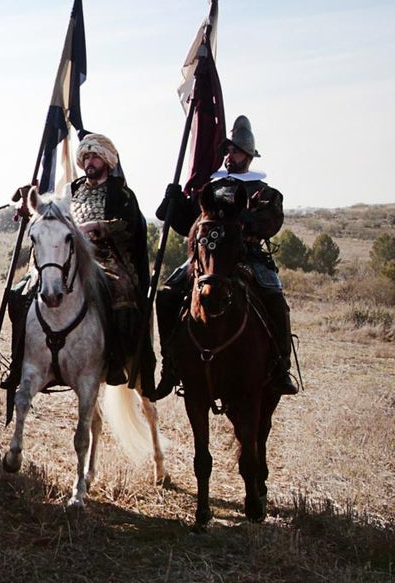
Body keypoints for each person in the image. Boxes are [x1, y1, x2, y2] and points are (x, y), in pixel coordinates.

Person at [153, 115, 298, 399]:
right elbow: (187, 225)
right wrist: (174, 201)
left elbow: (271, 221)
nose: (230, 156)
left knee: (275, 298)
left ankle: (281, 366)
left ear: (248, 155)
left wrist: (239, 219)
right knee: (167, 295)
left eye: (236, 151)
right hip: (206, 259)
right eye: (228, 151)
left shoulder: (264, 191)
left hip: (248, 256)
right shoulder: (210, 187)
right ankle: (170, 365)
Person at [67, 133, 155, 394]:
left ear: (106, 160)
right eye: (86, 156)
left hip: (109, 258)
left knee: (121, 290)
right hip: (73, 256)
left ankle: (117, 357)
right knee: (32, 289)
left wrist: (99, 227)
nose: (90, 161)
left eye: (95, 156)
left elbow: (130, 225)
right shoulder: (74, 189)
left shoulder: (121, 193)